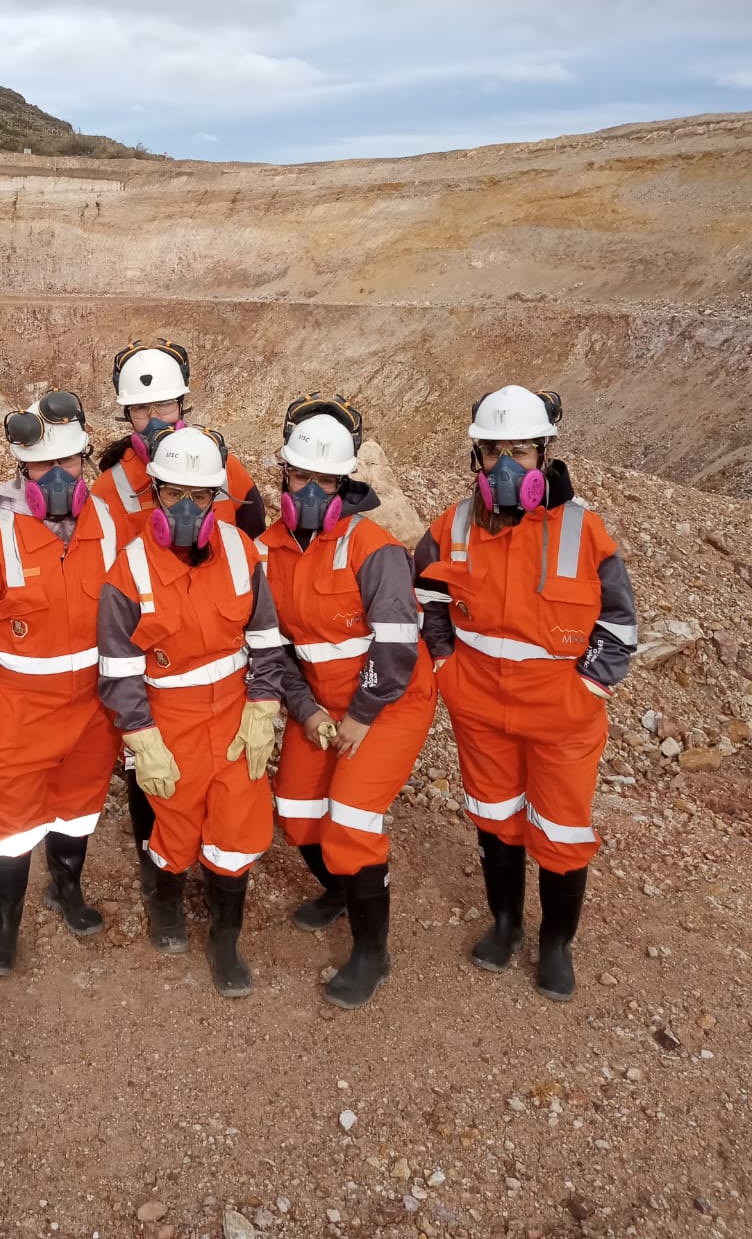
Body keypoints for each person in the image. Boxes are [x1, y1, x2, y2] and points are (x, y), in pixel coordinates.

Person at [414, 386, 638, 1000]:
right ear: (476, 459)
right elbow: (428, 598)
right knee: (495, 820)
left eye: (521, 451)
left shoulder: (583, 530)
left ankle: (556, 943)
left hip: (562, 718)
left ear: (546, 455)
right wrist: (444, 664)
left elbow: (619, 625)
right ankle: (506, 924)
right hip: (479, 708)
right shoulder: (453, 524)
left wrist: (588, 688)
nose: (507, 465)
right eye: (493, 452)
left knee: (562, 831)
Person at [256, 394, 436, 1008]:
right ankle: (339, 889)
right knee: (299, 813)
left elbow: (397, 648)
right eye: (300, 475)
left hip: (388, 705)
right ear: (282, 473)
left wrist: (359, 716)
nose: (309, 489)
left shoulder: (374, 548)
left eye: (324, 479)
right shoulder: (268, 550)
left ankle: (371, 953)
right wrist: (306, 711)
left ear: (345, 482)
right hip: (322, 707)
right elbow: (274, 651)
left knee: (352, 822)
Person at [0, 390, 122, 977]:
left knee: (76, 815)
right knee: (7, 833)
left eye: (69, 464)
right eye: (44, 466)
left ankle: (67, 892)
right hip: (14, 718)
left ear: (85, 462)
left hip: (92, 714)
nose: (59, 477)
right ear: (22, 469)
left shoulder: (113, 527)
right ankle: (5, 925)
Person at [97, 425, 286, 998]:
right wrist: (142, 740)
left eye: (198, 495)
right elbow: (118, 667)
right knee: (174, 826)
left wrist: (264, 704)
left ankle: (226, 941)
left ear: (215, 499)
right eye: (172, 493)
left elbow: (267, 640)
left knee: (236, 824)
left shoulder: (243, 553)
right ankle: (168, 908)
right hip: (169, 722)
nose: (185, 507)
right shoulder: (127, 569)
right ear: (154, 494)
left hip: (234, 718)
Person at [91, 338, 267, 901]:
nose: (152, 420)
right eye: (140, 411)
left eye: (163, 408)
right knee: (151, 777)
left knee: (220, 787)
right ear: (126, 413)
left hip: (212, 646)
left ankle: (201, 874)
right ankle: (160, 871)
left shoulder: (224, 470)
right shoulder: (110, 486)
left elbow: (253, 542)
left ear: (183, 406)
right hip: (143, 651)